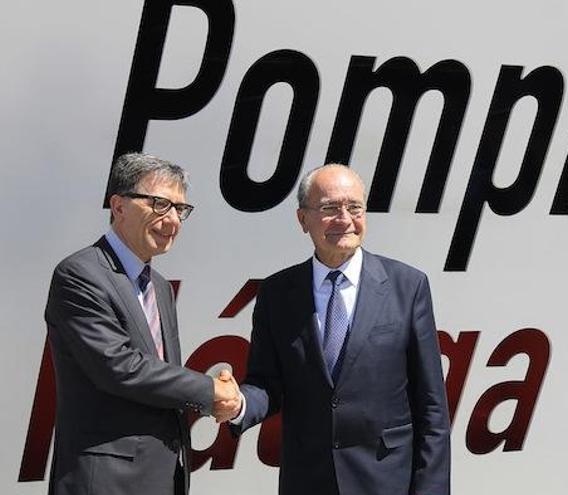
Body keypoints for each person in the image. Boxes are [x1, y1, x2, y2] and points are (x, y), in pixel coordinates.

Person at [225, 164, 451, 494]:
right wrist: (238, 404)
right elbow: (266, 383)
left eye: (354, 207)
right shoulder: (276, 293)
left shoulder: (408, 286)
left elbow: (432, 406)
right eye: (330, 208)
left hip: (386, 481)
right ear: (303, 219)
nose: (344, 219)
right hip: (307, 481)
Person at [44, 152, 240, 495]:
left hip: (162, 475)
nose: (173, 220)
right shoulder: (80, 274)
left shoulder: (159, 286)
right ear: (119, 206)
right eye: (160, 204)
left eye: (181, 210)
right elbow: (119, 366)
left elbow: (160, 374)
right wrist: (209, 391)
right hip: (105, 480)